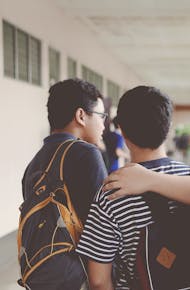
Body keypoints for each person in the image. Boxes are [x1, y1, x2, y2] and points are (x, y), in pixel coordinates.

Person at [76, 85, 190, 289]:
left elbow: (99, 280)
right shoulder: (186, 177)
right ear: (168, 127)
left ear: (123, 131)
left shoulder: (111, 192)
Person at [21, 78, 108, 289]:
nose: (104, 124)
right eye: (101, 116)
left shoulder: (34, 163)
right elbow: (103, 227)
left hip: (41, 273)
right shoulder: (86, 154)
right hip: (77, 276)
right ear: (81, 116)